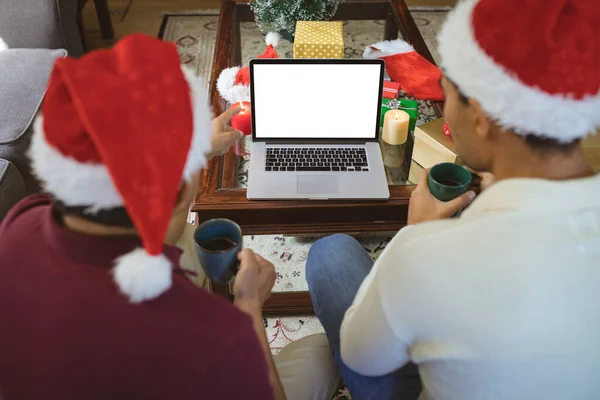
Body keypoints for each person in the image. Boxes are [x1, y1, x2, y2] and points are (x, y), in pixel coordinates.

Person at [0, 34, 340, 400]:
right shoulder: (199, 331)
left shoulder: (21, 221)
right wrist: (248, 306)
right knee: (323, 354)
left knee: (184, 239)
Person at [306, 0, 600, 399]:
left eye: (446, 94)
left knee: (330, 252)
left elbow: (363, 357)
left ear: (479, 116)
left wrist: (416, 235)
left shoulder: (426, 253)